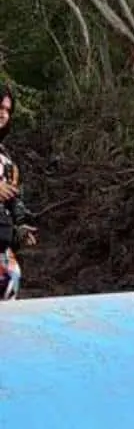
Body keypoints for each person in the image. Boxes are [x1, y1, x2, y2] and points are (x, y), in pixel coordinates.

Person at [0, 83, 38, 300]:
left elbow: (14, 198)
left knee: (10, 280)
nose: (3, 114)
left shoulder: (6, 157)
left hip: (2, 244)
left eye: (7, 109)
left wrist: (21, 226)